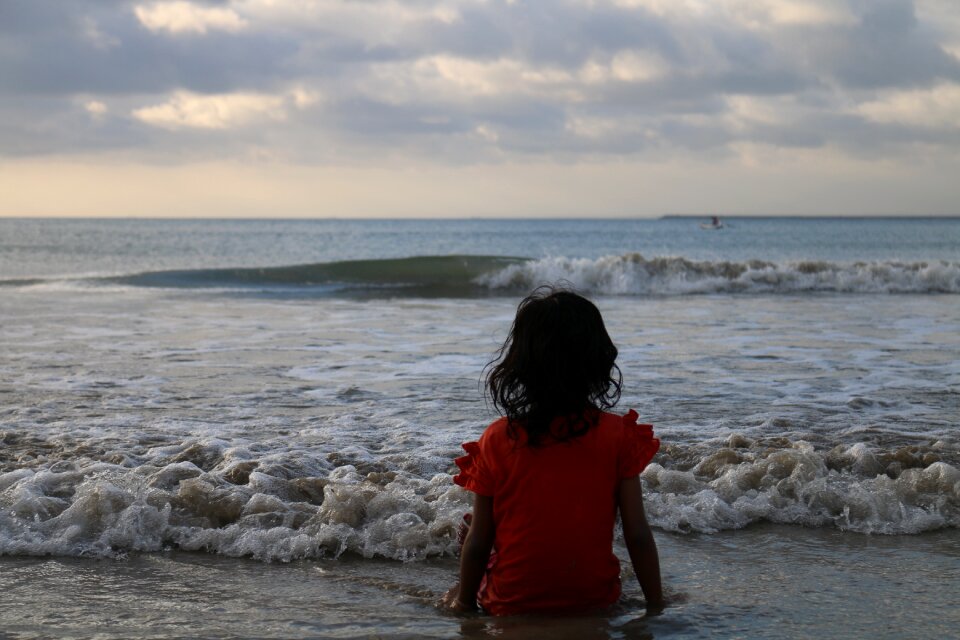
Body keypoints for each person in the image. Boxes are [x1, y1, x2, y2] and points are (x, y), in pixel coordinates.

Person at [442, 287, 664, 616]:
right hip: (595, 600)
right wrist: (656, 605)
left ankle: (465, 587)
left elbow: (479, 543)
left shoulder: (497, 439)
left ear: (520, 364)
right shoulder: (617, 436)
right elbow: (637, 535)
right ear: (598, 360)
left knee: (473, 532)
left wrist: (462, 603)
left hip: (510, 605)